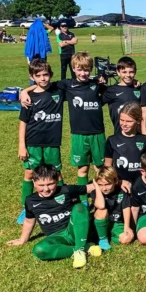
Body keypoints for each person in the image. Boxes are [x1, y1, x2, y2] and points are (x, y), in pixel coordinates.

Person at [20, 52, 106, 194]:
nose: (83, 73)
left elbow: (110, 91)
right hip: (73, 135)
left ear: (91, 69)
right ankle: (28, 204)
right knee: (32, 172)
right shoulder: (66, 85)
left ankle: (99, 196)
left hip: (95, 133)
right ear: (73, 68)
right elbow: (43, 86)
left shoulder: (95, 84)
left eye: (86, 69)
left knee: (98, 168)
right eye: (79, 69)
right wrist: (24, 91)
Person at [6, 164, 92, 269]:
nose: (46, 189)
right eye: (41, 185)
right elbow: (29, 221)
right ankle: (84, 248)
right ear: (34, 182)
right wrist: (23, 239)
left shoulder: (65, 190)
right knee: (39, 250)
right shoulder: (30, 200)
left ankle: (79, 250)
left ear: (57, 181)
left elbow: (90, 187)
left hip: (74, 229)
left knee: (80, 208)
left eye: (50, 184)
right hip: (57, 237)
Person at [17, 59, 65, 224]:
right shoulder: (28, 98)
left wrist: (24, 89)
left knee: (56, 173)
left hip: (52, 143)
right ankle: (27, 208)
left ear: (51, 75)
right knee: (30, 173)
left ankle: (62, 202)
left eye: (46, 75)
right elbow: (23, 122)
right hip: (33, 143)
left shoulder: (58, 90)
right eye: (39, 76)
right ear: (32, 76)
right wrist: (22, 146)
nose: (43, 78)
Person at [104, 102, 146, 192]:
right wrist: (119, 182)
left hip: (141, 186)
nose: (124, 124)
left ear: (138, 121)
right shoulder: (112, 140)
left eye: (129, 121)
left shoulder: (145, 140)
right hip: (120, 186)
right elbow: (107, 168)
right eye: (121, 120)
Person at [90, 166, 134, 251]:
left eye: (108, 184)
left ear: (115, 181)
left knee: (127, 238)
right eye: (100, 185)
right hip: (102, 222)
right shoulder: (96, 193)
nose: (104, 188)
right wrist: (96, 187)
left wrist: (127, 226)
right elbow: (101, 205)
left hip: (117, 223)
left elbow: (126, 208)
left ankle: (110, 236)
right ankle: (103, 239)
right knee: (102, 211)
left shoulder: (122, 191)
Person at [101, 57, 141, 133]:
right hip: (119, 135)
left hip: (138, 134)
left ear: (135, 72)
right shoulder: (111, 90)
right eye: (124, 72)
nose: (128, 75)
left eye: (131, 72)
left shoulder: (139, 88)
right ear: (118, 72)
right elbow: (96, 104)